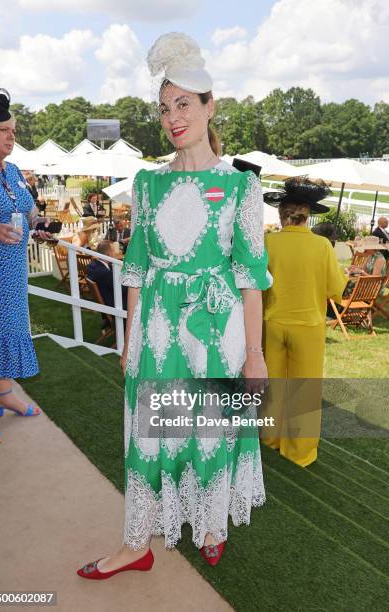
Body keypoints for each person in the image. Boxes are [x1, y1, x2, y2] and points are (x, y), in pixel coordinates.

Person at [77, 32, 272, 579]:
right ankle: (135, 542)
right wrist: (130, 336)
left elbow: (251, 277)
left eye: (184, 103)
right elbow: (134, 267)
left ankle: (212, 524)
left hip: (216, 331)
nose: (172, 117)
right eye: (165, 108)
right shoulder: (146, 184)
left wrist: (253, 356)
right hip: (157, 331)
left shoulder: (240, 187)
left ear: (211, 106)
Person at [0, 87, 53, 447]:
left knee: (6, 332)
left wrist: (40, 223)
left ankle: (4, 394)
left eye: (14, 131)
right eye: (5, 131)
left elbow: (28, 209)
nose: (12, 138)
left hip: (10, 275)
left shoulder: (11, 171)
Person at [261, 176, 347, 468]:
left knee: (272, 385)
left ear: (281, 214)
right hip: (308, 326)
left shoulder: (267, 242)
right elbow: (337, 289)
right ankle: (299, 452)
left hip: (272, 323)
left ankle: (269, 439)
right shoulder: (322, 246)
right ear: (307, 215)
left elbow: (258, 285)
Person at [86, 240, 128, 331]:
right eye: (114, 250)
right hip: (115, 307)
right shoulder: (104, 273)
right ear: (109, 253)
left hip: (106, 304)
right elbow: (123, 289)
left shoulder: (93, 266)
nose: (116, 252)